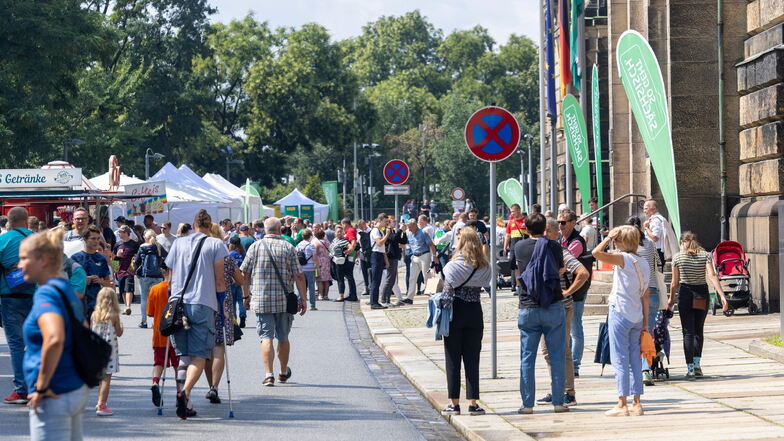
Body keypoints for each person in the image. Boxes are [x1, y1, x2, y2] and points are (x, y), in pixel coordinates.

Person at [19, 228, 88, 440]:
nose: (19, 265)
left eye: (23, 258)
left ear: (43, 260)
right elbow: (83, 328)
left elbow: (55, 337)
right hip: (73, 386)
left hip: (54, 392)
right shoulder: (64, 288)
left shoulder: (46, 293)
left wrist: (41, 386)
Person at [164, 209, 228, 419]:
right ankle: (186, 392)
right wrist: (221, 305)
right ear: (210, 226)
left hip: (178, 303)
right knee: (200, 354)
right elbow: (220, 280)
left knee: (183, 355)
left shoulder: (179, 243)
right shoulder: (216, 244)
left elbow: (170, 275)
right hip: (203, 302)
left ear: (193, 224)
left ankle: (185, 400)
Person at [240, 217, 307, 387]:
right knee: (283, 337)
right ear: (279, 230)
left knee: (266, 337)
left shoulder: (255, 247)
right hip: (285, 301)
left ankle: (268, 374)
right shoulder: (288, 247)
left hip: (261, 300)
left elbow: (244, 274)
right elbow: (298, 275)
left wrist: (245, 296)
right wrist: (304, 299)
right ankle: (283, 372)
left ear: (265, 230)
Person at [592, 226, 650, 416]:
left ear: (624, 241)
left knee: (620, 358)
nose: (615, 243)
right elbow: (646, 295)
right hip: (637, 314)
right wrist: (646, 323)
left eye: (617, 240)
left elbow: (596, 253)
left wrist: (608, 237)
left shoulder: (623, 258)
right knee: (635, 359)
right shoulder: (643, 262)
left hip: (620, 311)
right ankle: (637, 402)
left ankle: (621, 403)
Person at [514, 213, 568, 414]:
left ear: (526, 228)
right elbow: (561, 268)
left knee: (527, 358)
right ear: (545, 228)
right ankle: (558, 402)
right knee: (557, 357)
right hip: (553, 305)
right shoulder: (553, 246)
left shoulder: (519, 247)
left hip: (528, 306)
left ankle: (527, 405)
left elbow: (516, 271)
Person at [438, 227, 492, 416]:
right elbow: (486, 284)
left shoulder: (452, 266)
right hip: (475, 312)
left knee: (452, 359)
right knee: (472, 359)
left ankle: (454, 403)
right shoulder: (484, 266)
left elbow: (446, 296)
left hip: (456, 313)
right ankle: (473, 403)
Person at [538, 218, 589, 407]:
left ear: (553, 233)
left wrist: (568, 292)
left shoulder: (561, 252)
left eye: (546, 231)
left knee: (562, 349)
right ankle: (559, 389)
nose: (543, 235)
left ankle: (567, 392)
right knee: (548, 351)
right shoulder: (545, 251)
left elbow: (583, 273)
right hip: (548, 306)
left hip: (561, 306)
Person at [669, 232, 729, 380]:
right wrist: (722, 296)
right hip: (701, 293)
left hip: (685, 293)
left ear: (682, 242)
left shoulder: (677, 257)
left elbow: (674, 283)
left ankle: (689, 369)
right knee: (698, 331)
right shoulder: (705, 255)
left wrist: (670, 300)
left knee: (687, 332)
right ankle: (697, 366)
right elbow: (712, 276)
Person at [204, 228, 246, 404]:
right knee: (219, 346)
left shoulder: (201, 257)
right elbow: (241, 280)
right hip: (224, 304)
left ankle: (210, 386)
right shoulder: (226, 258)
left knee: (206, 348)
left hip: (204, 301)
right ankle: (215, 386)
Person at [0, 207, 36, 404]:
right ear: (27, 219)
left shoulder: (3, 240)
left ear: (9, 221)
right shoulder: (39, 239)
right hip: (38, 296)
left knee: (16, 345)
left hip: (10, 297)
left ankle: (21, 390)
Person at [146, 267, 179, 407]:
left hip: (160, 332)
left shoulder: (155, 289)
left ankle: (155, 382)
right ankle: (180, 392)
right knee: (178, 365)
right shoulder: (178, 290)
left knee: (159, 362)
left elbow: (150, 312)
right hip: (176, 332)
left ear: (161, 270)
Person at [91, 287, 123, 416]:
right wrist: (121, 327)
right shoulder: (114, 315)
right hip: (109, 351)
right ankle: (102, 404)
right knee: (106, 379)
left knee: (100, 378)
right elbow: (119, 333)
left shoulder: (94, 314)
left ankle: (99, 401)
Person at [71, 225, 113, 321]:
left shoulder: (101, 258)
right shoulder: (75, 258)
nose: (96, 241)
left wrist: (99, 281)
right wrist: (83, 280)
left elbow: (109, 283)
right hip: (79, 302)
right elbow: (68, 282)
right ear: (85, 239)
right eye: (93, 238)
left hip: (97, 302)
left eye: (98, 239)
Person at [400, 218, 436, 306]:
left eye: (410, 227)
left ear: (415, 225)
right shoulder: (409, 234)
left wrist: (434, 257)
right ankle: (410, 298)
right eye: (408, 227)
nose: (409, 229)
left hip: (424, 256)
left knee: (426, 276)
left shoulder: (423, 233)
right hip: (414, 256)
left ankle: (431, 296)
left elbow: (431, 244)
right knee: (412, 277)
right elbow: (404, 243)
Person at [133, 230, 165, 328]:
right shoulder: (159, 246)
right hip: (158, 276)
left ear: (145, 237)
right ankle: (156, 321)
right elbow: (166, 258)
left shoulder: (142, 247)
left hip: (145, 276)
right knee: (157, 299)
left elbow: (137, 261)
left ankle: (144, 321)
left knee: (144, 298)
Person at [113, 225, 139, 316]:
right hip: (120, 270)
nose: (119, 234)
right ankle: (126, 306)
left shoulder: (134, 244)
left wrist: (135, 262)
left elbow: (138, 256)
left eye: (120, 232)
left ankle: (128, 306)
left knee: (128, 288)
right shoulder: (118, 244)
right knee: (122, 290)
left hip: (129, 270)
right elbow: (115, 258)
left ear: (126, 233)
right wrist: (114, 268)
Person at [381, 218, 406, 306]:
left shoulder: (394, 231)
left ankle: (387, 299)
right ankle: (384, 300)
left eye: (396, 221)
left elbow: (402, 241)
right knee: (389, 279)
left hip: (395, 257)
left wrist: (404, 232)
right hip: (390, 257)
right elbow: (393, 239)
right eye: (393, 222)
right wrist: (400, 230)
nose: (395, 223)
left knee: (392, 280)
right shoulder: (387, 231)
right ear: (389, 223)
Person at [368, 215, 392, 309]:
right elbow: (379, 243)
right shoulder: (375, 231)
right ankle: (374, 302)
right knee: (375, 280)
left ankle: (374, 301)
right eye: (385, 221)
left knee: (377, 280)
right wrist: (387, 234)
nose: (386, 224)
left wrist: (386, 260)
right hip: (376, 255)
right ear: (380, 220)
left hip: (380, 255)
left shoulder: (380, 230)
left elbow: (382, 248)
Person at [296, 229, 318, 310]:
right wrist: (317, 266)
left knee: (300, 286)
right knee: (311, 287)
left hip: (301, 268)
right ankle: (312, 305)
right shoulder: (311, 245)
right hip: (310, 268)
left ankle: (298, 303)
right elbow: (315, 257)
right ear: (310, 236)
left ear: (302, 236)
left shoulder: (298, 245)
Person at [228, 237, 248, 327]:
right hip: (241, 279)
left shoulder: (229, 254)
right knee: (240, 300)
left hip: (231, 279)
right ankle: (243, 316)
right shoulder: (243, 254)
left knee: (232, 301)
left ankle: (234, 320)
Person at [642, 199, 666, 270]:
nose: (644, 211)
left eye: (646, 208)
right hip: (654, 250)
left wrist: (646, 228)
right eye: (643, 209)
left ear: (654, 209)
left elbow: (655, 237)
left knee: (656, 274)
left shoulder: (656, 220)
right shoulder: (653, 219)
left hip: (656, 252)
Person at [314, 230, 332, 301]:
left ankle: (320, 295)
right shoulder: (327, 242)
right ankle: (326, 295)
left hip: (320, 261)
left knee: (320, 279)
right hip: (327, 261)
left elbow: (316, 253)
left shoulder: (317, 243)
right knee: (326, 279)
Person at [356, 220, 372, 296]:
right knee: (364, 271)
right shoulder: (358, 233)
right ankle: (366, 288)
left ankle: (371, 287)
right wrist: (356, 256)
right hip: (362, 254)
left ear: (364, 224)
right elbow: (357, 244)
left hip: (370, 253)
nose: (359, 227)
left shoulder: (371, 231)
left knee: (370, 271)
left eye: (360, 225)